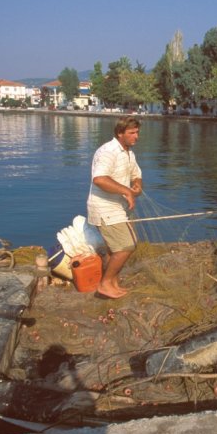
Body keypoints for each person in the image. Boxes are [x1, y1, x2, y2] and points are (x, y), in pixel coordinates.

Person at [87, 116, 143, 299]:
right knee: (125, 246)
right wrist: (126, 191)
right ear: (120, 133)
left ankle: (113, 282)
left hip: (119, 208)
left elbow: (136, 174)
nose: (137, 136)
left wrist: (137, 184)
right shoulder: (107, 151)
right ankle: (104, 284)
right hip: (104, 207)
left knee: (115, 248)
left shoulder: (129, 153)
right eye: (132, 133)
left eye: (137, 132)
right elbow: (99, 179)